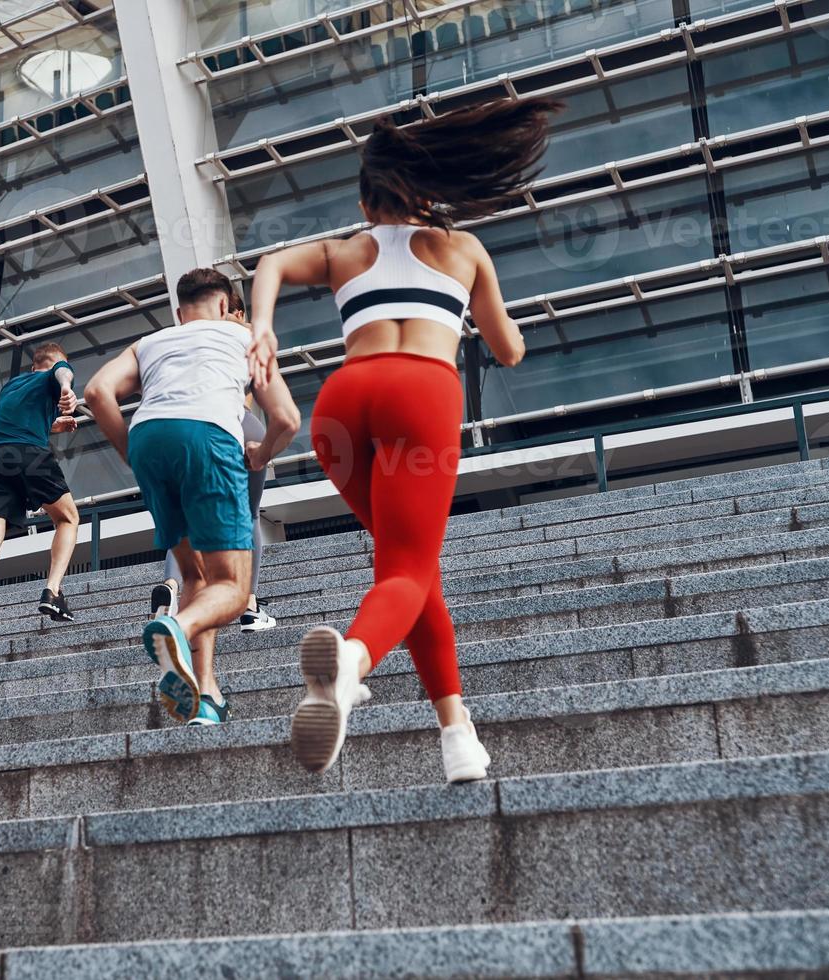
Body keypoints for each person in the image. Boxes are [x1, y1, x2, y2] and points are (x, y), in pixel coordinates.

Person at [247, 99, 551, 781]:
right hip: (420, 394)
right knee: (408, 571)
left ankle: (457, 735)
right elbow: (509, 350)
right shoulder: (464, 249)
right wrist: (489, 320)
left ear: (366, 198)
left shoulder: (344, 251)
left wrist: (262, 328)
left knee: (410, 572)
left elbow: (268, 264)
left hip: (343, 404)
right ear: (428, 188)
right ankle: (351, 668)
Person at [86, 268, 300, 726]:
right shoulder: (244, 337)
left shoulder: (151, 342)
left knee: (195, 576)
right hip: (208, 436)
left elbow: (97, 391)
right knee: (234, 587)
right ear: (226, 306)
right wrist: (260, 455)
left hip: (149, 439)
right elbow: (287, 419)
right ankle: (175, 629)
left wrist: (133, 455)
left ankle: (205, 697)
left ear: (180, 312)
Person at [151, 290, 277, 633]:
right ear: (231, 310)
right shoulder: (244, 333)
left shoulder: (186, 342)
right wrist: (265, 446)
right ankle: (249, 606)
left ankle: (172, 588)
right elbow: (275, 404)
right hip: (238, 423)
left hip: (190, 429)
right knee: (249, 513)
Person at [0, 342, 80, 661]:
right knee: (68, 519)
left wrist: (53, 424)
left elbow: (20, 421)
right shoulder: (52, 375)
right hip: (29, 455)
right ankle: (53, 590)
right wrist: (66, 387)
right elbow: (62, 371)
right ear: (49, 366)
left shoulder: (12, 386)